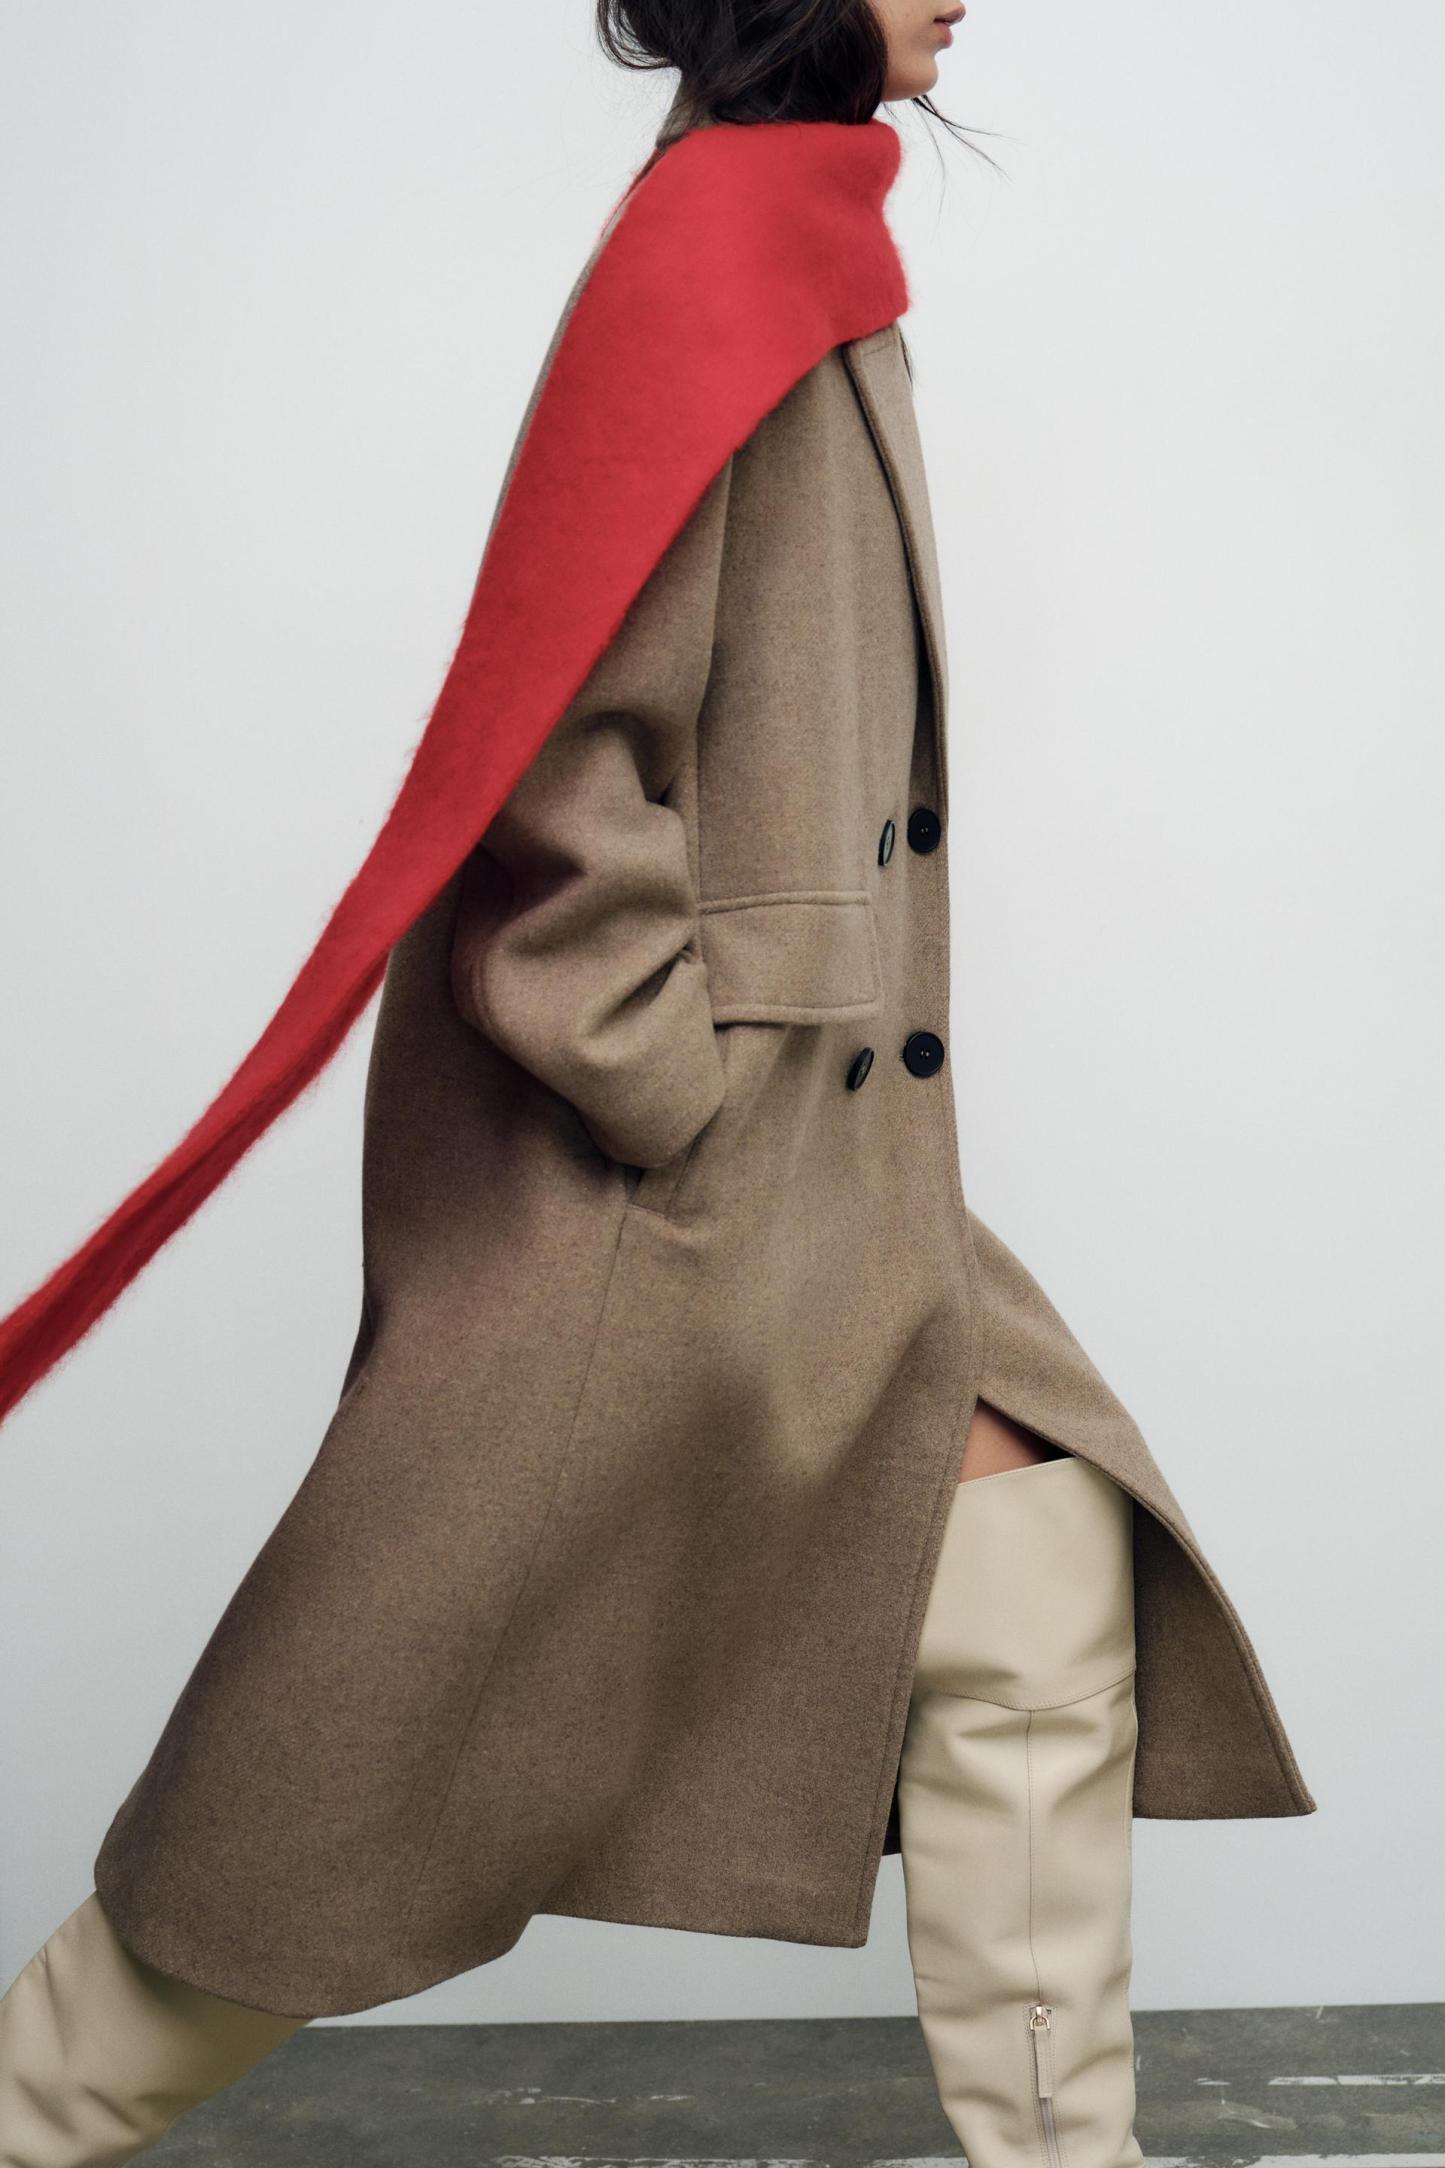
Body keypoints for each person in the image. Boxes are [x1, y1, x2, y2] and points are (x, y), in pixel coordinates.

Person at [0, 4, 1317, 2162]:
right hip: (682, 1201)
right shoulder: (716, 248)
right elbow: (564, 766)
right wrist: (670, 1097)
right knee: (309, 1807)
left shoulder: (792, 230)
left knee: (1035, 1557)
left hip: (821, 1166)